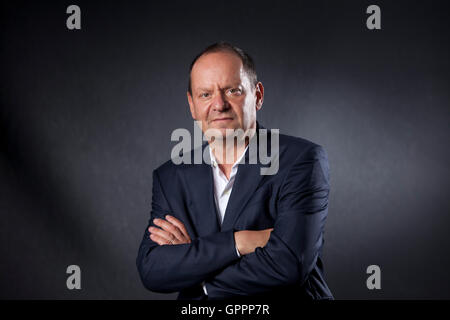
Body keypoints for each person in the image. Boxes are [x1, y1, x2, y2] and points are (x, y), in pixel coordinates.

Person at [136, 41, 333, 300]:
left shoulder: (301, 161)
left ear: (258, 95)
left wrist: (195, 269)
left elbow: (289, 264)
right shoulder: (171, 177)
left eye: (233, 91)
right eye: (205, 94)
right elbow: (153, 269)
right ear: (192, 105)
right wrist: (239, 242)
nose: (219, 104)